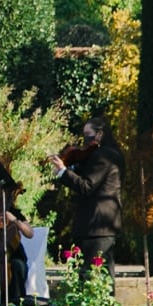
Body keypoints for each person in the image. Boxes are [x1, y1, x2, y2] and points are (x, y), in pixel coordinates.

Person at [47, 116, 124, 280]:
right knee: (101, 276)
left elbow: (86, 186)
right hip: (100, 226)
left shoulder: (103, 156)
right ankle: (104, 305)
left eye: (88, 133)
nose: (85, 139)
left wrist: (63, 171)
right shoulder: (106, 154)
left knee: (92, 275)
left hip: (97, 225)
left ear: (99, 134)